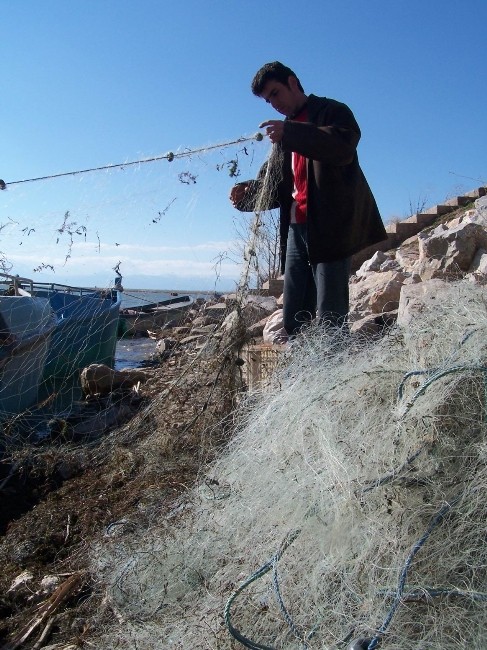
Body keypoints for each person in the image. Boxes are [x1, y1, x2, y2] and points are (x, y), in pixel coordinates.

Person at [230, 61, 387, 337]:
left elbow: (342, 147)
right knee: (294, 310)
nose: (273, 104)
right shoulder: (283, 132)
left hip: (330, 227)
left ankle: (331, 367)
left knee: (330, 312)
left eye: (275, 93)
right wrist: (247, 195)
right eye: (268, 100)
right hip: (295, 229)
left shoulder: (332, 111)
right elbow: (275, 185)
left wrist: (290, 133)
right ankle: (300, 368)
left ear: (292, 82)